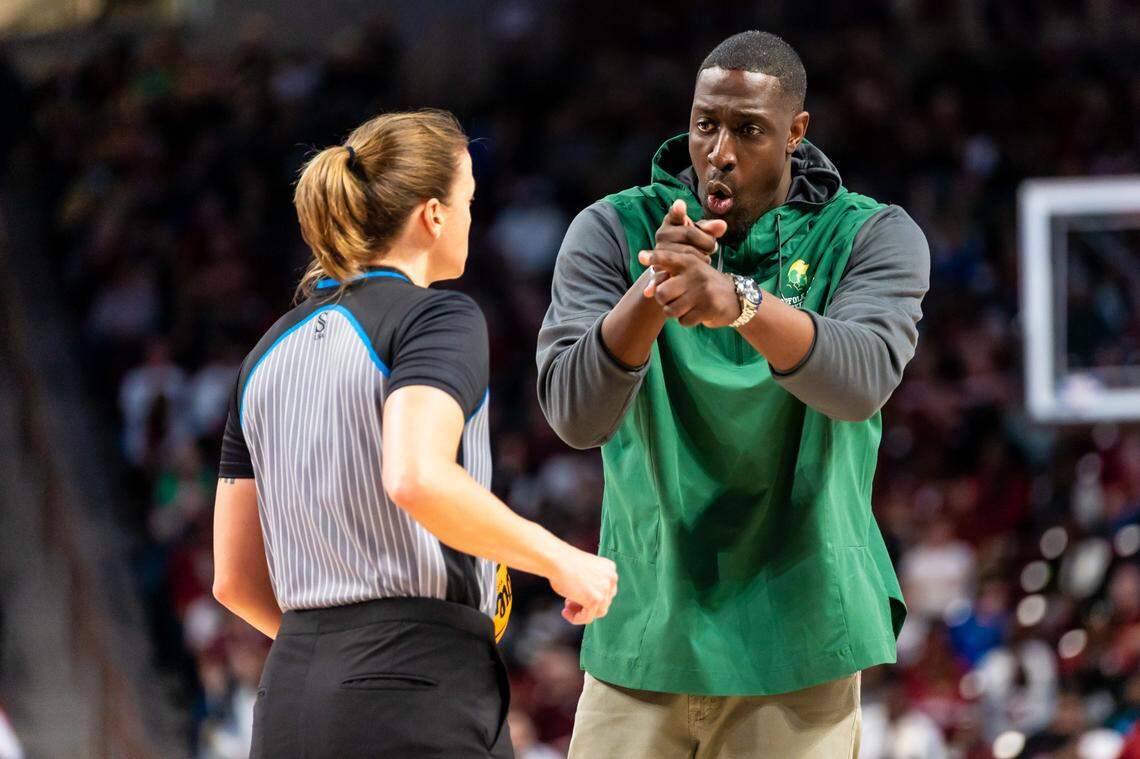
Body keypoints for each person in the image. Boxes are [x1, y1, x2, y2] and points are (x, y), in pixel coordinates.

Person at [537, 31, 930, 757]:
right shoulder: (612, 229)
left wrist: (738, 302)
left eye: (748, 130)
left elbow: (862, 379)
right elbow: (573, 413)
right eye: (705, 124)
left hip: (797, 647)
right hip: (644, 638)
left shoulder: (873, 234)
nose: (719, 151)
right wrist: (653, 290)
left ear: (795, 133)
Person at [212, 109, 617, 758]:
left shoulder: (264, 353)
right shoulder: (439, 317)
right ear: (432, 215)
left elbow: (232, 579)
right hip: (417, 685)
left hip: (287, 694)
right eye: (468, 202)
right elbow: (416, 475)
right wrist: (562, 559)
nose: (469, 220)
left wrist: (335, 653)